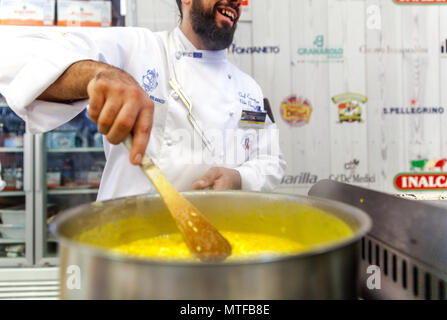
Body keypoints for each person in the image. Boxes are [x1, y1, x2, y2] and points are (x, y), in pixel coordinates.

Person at [0, 0, 286, 201]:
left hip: (216, 247)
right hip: (131, 249)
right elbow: (14, 56)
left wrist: (239, 178)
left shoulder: (248, 88)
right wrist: (99, 74)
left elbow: (271, 160)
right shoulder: (139, 48)